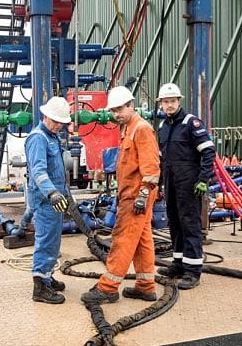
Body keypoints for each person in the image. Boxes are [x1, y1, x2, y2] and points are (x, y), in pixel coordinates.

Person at [81, 86, 160, 304]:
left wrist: (143, 195)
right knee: (143, 240)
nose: (116, 114)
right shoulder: (127, 128)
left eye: (119, 109)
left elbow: (151, 168)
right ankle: (145, 286)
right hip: (131, 194)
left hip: (136, 197)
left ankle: (108, 288)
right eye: (113, 111)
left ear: (131, 106)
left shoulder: (141, 129)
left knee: (122, 240)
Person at [155, 83, 216, 289]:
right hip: (171, 183)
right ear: (161, 104)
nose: (169, 105)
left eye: (172, 101)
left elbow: (208, 152)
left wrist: (203, 179)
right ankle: (179, 263)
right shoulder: (163, 128)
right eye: (165, 102)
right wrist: (161, 184)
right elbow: (162, 159)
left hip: (189, 184)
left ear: (178, 102)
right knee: (174, 223)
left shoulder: (191, 123)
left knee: (190, 225)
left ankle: (192, 271)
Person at [24, 96, 72, 304]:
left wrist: (65, 194)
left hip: (55, 198)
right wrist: (52, 193)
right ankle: (40, 287)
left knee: (53, 241)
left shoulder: (52, 137)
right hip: (45, 200)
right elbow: (38, 171)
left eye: (61, 122)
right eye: (54, 121)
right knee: (45, 241)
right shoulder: (38, 138)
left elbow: (58, 171)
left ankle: (47, 276)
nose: (58, 125)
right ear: (45, 116)